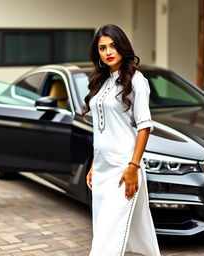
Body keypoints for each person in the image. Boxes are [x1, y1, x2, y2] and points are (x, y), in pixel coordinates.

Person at [82, 24, 161, 256]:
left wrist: (133, 166)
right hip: (102, 168)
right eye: (102, 48)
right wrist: (94, 166)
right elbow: (100, 129)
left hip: (123, 167)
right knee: (107, 229)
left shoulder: (136, 80)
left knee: (108, 236)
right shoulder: (102, 81)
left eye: (113, 46)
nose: (108, 52)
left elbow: (145, 126)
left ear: (123, 47)